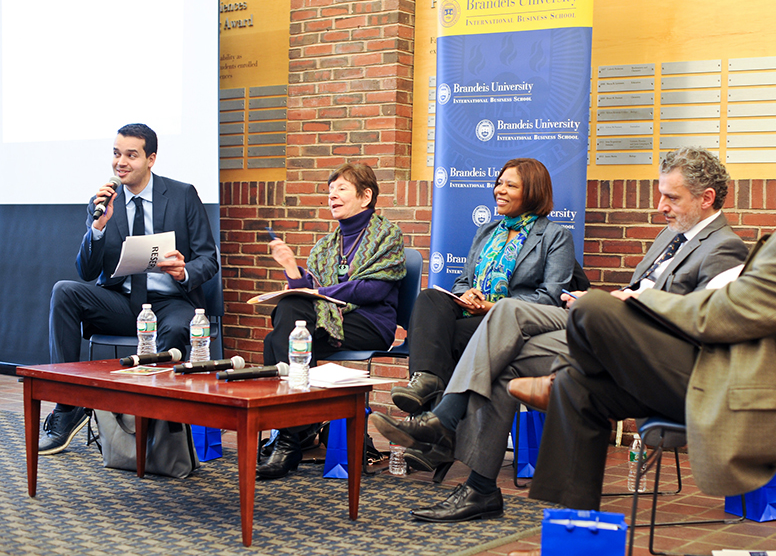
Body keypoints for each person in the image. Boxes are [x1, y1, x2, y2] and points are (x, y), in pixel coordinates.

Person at [516, 116, 776, 513]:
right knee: (578, 389)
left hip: (734, 386)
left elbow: (722, 315)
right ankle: (571, 526)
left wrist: (637, 300)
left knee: (594, 309)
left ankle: (561, 374)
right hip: (733, 372)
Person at [372, 147, 748, 521]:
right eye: (661, 194)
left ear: (706, 198)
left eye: (671, 197)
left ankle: (444, 419)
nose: (661, 205)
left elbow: (703, 325)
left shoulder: (723, 248)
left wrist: (627, 302)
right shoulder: (670, 236)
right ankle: (480, 489)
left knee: (509, 315)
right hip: (607, 333)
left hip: (648, 355)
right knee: (503, 365)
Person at [41, 123, 219, 455]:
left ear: (151, 159)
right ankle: (68, 404)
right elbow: (86, 270)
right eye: (116, 153)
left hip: (170, 301)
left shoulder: (182, 195)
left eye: (131, 155)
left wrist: (184, 270)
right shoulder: (104, 202)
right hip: (121, 303)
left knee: (181, 327)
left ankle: (157, 425)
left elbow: (209, 259)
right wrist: (97, 228)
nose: (120, 162)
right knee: (64, 291)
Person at [390, 158, 576, 416]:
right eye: (499, 183)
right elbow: (463, 280)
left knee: (447, 339)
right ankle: (426, 381)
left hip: (512, 325)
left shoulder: (555, 236)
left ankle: (428, 422)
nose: (499, 190)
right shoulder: (488, 230)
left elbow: (550, 298)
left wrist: (492, 307)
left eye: (510, 186)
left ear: (533, 192)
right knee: (430, 297)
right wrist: (466, 294)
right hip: (472, 314)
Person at [257, 162, 406, 479]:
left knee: (278, 340)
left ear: (365, 197)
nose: (332, 196)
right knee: (286, 323)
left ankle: (289, 436)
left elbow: (373, 289)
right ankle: (292, 433)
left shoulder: (387, 236)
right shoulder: (324, 246)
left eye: (341, 189)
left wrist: (321, 290)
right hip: (327, 322)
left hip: (369, 324)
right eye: (329, 190)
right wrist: (292, 270)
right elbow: (306, 297)